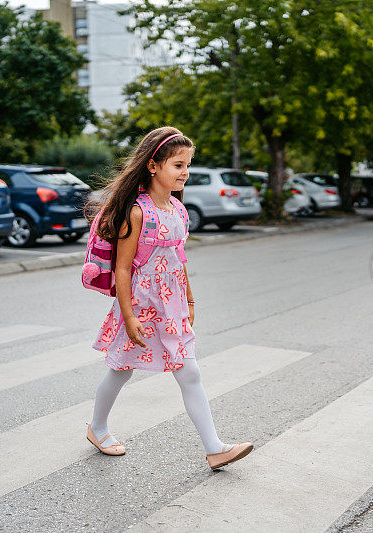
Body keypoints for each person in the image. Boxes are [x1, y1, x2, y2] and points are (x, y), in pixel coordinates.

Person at [85, 126, 254, 470]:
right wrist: (129, 317)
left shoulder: (177, 208)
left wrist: (190, 300)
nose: (185, 172)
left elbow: (179, 258)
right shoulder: (137, 212)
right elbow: (122, 270)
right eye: (178, 165)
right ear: (153, 166)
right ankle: (98, 427)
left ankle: (215, 448)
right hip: (141, 306)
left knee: (189, 372)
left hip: (172, 303)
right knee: (121, 369)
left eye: (187, 165)